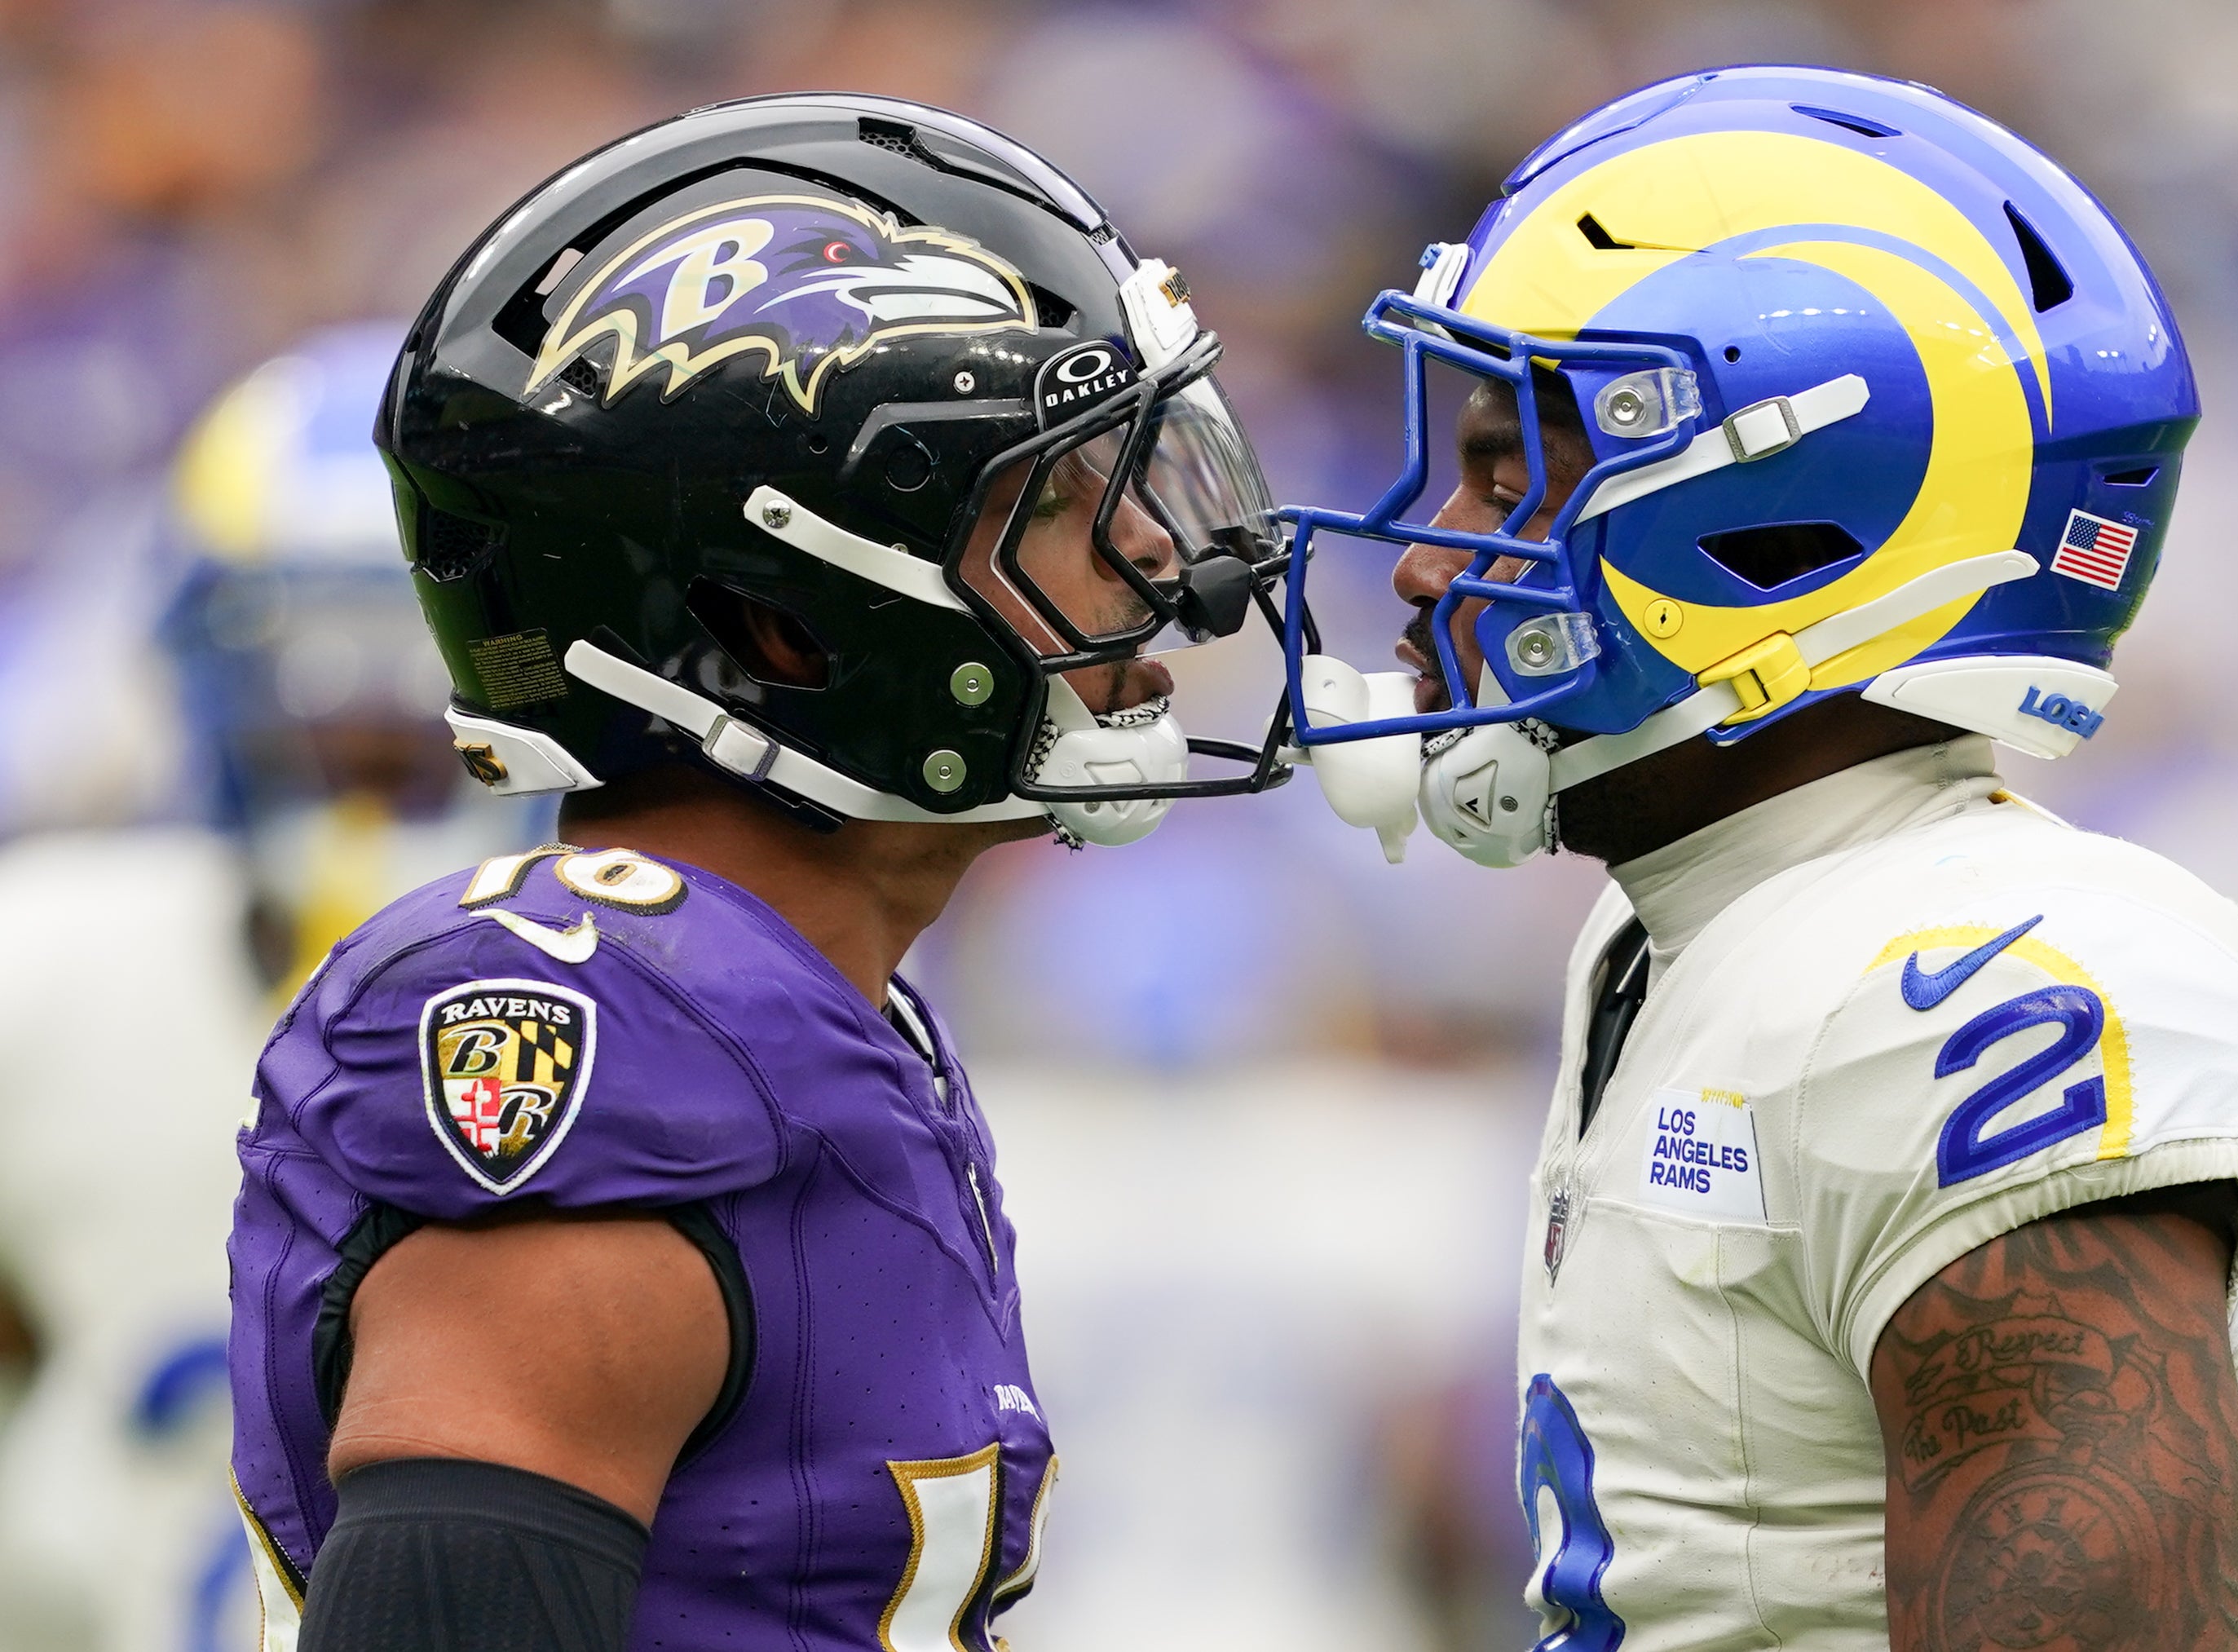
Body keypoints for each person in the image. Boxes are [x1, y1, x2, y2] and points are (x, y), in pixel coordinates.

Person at [1284, 67, 2238, 1651]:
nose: (1434, 556)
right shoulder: (1685, 929)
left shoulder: (1986, 980)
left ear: (1785, 527)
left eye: (1509, 477)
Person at [227, 95, 1287, 1652]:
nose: (1161, 558)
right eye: (1056, 502)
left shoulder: (804, 1011)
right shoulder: (613, 1036)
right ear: (785, 622)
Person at [0, 322, 527, 1652]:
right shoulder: (58, 977)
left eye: (421, 654)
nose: (370, 720)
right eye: (308, 656)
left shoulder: (696, 1018)